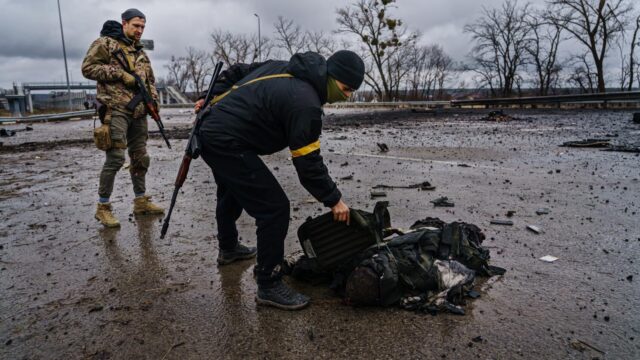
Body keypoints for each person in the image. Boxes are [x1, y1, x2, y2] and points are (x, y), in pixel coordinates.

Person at [195, 50, 365, 310]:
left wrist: (208, 97)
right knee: (274, 208)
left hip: (216, 130)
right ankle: (269, 284)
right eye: (346, 88)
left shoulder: (285, 67)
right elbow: (308, 164)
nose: (347, 95)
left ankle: (228, 249)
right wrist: (334, 200)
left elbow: (238, 70)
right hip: (225, 140)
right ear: (332, 76)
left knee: (233, 189)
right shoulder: (306, 104)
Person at [82, 8, 164, 228]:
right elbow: (88, 68)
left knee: (140, 157)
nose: (139, 30)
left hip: (139, 112)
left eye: (143, 27)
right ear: (124, 23)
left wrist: (153, 101)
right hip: (116, 109)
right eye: (136, 26)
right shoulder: (106, 44)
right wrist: (120, 74)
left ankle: (140, 201)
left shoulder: (140, 52)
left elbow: (150, 81)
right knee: (116, 158)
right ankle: (103, 207)